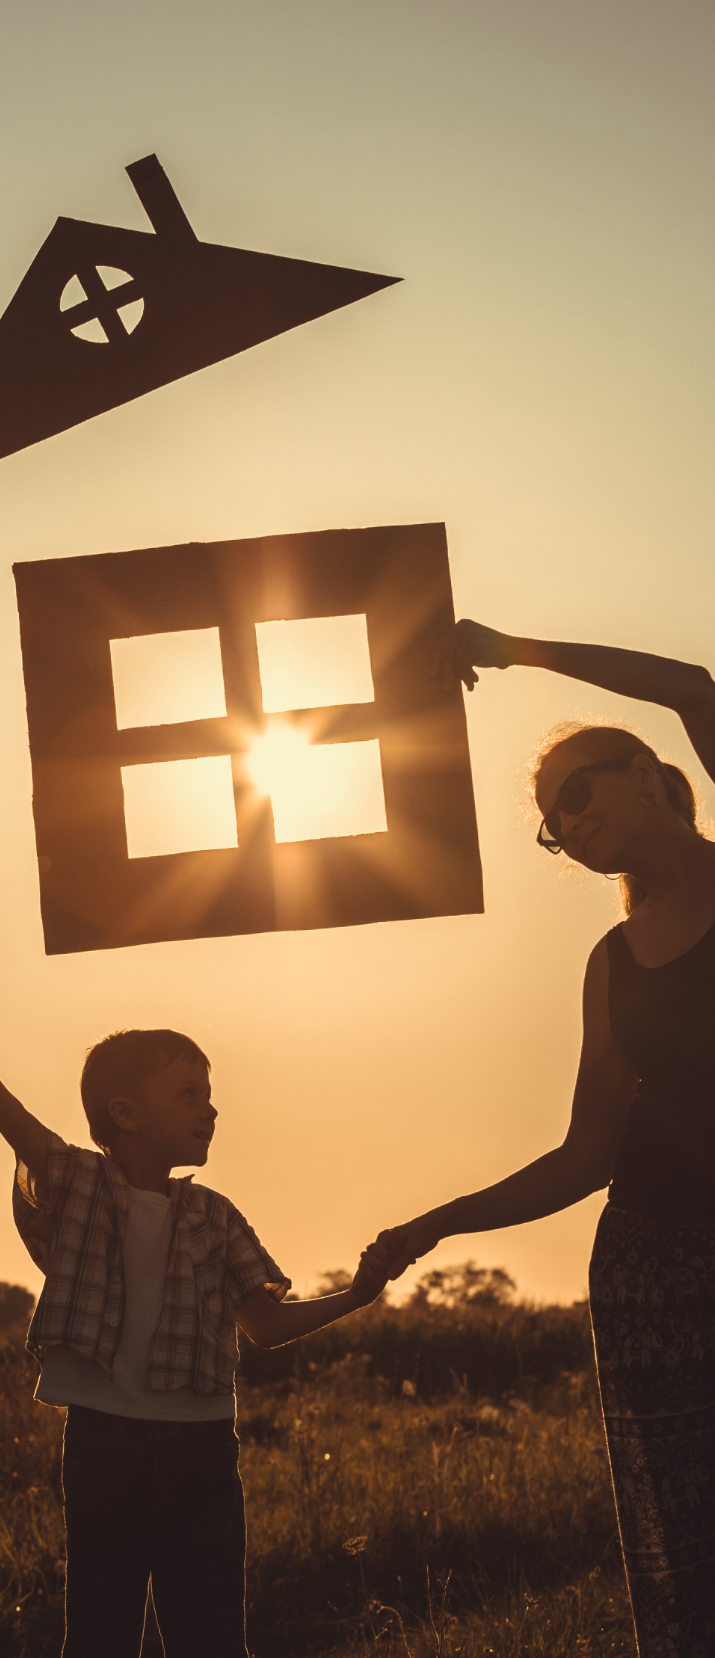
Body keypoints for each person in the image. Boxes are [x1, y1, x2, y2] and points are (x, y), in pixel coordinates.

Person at [386, 619, 715, 1654]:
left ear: (649, 776)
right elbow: (585, 1156)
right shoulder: (611, 962)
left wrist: (515, 651)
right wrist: (436, 1223)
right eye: (549, 822)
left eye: (575, 793)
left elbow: (693, 684)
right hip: (654, 1276)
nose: (565, 823)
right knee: (692, 1563)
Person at [0, 983, 395, 1658]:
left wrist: (358, 1296)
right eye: (188, 1094)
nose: (209, 1109)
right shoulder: (77, 1183)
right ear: (124, 1113)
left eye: (209, 1095)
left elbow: (266, 1325)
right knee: (101, 1636)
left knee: (212, 1639)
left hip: (204, 1449)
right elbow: (5, 1113)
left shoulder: (217, 1215)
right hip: (104, 1444)